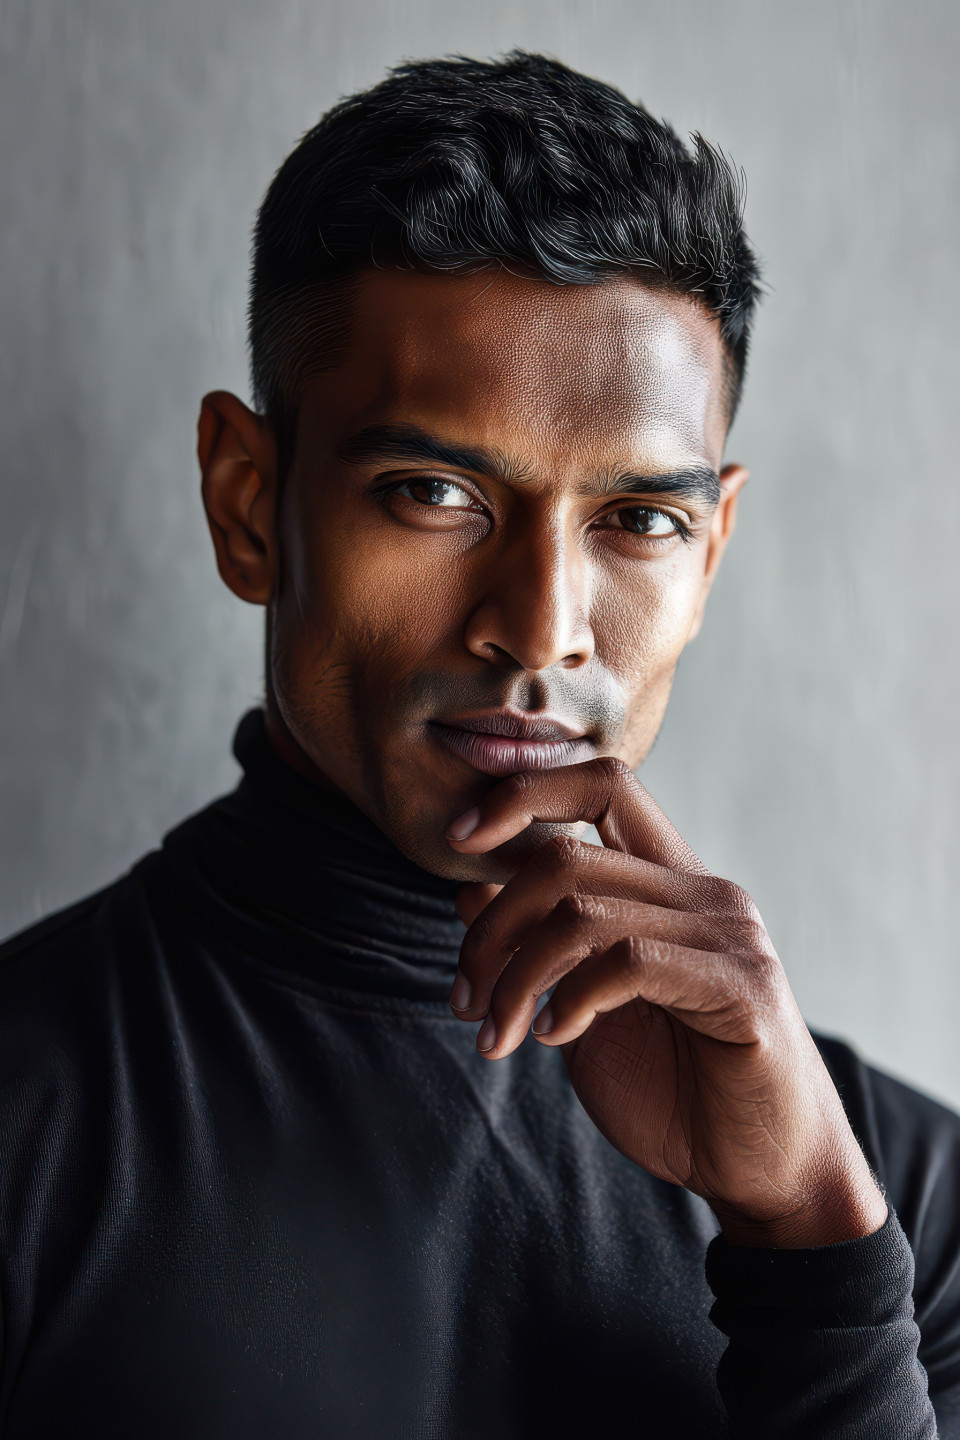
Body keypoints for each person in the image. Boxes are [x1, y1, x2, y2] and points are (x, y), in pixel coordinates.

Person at [1, 51, 958, 1439]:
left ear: (713, 551)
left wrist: (814, 1255)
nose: (539, 630)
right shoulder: (31, 1125)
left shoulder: (891, 1198)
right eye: (436, 491)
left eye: (639, 520)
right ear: (249, 504)